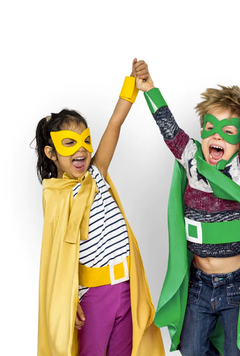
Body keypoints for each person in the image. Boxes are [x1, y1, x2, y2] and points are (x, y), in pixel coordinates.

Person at [134, 60, 240, 355]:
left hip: (235, 286)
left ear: (239, 140)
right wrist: (150, 90)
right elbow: (169, 130)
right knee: (190, 350)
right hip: (198, 283)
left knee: (235, 350)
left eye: (228, 131)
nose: (217, 136)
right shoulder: (192, 160)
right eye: (211, 129)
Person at [35, 59, 165, 356]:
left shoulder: (97, 173)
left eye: (85, 141)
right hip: (92, 297)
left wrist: (133, 82)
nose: (81, 149)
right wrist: (70, 300)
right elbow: (59, 257)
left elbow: (114, 124)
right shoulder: (55, 196)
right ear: (51, 152)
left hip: (126, 287)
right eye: (69, 143)